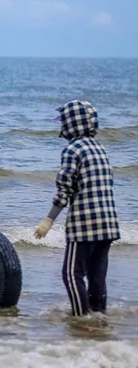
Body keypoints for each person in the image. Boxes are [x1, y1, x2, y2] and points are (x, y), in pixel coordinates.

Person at [34, 100, 120, 317]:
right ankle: (99, 316)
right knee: (97, 276)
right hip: (108, 223)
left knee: (72, 274)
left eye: (64, 122)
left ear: (73, 123)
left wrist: (49, 220)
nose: (61, 126)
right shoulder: (100, 148)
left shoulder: (72, 150)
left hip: (84, 224)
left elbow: (65, 190)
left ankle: (82, 318)